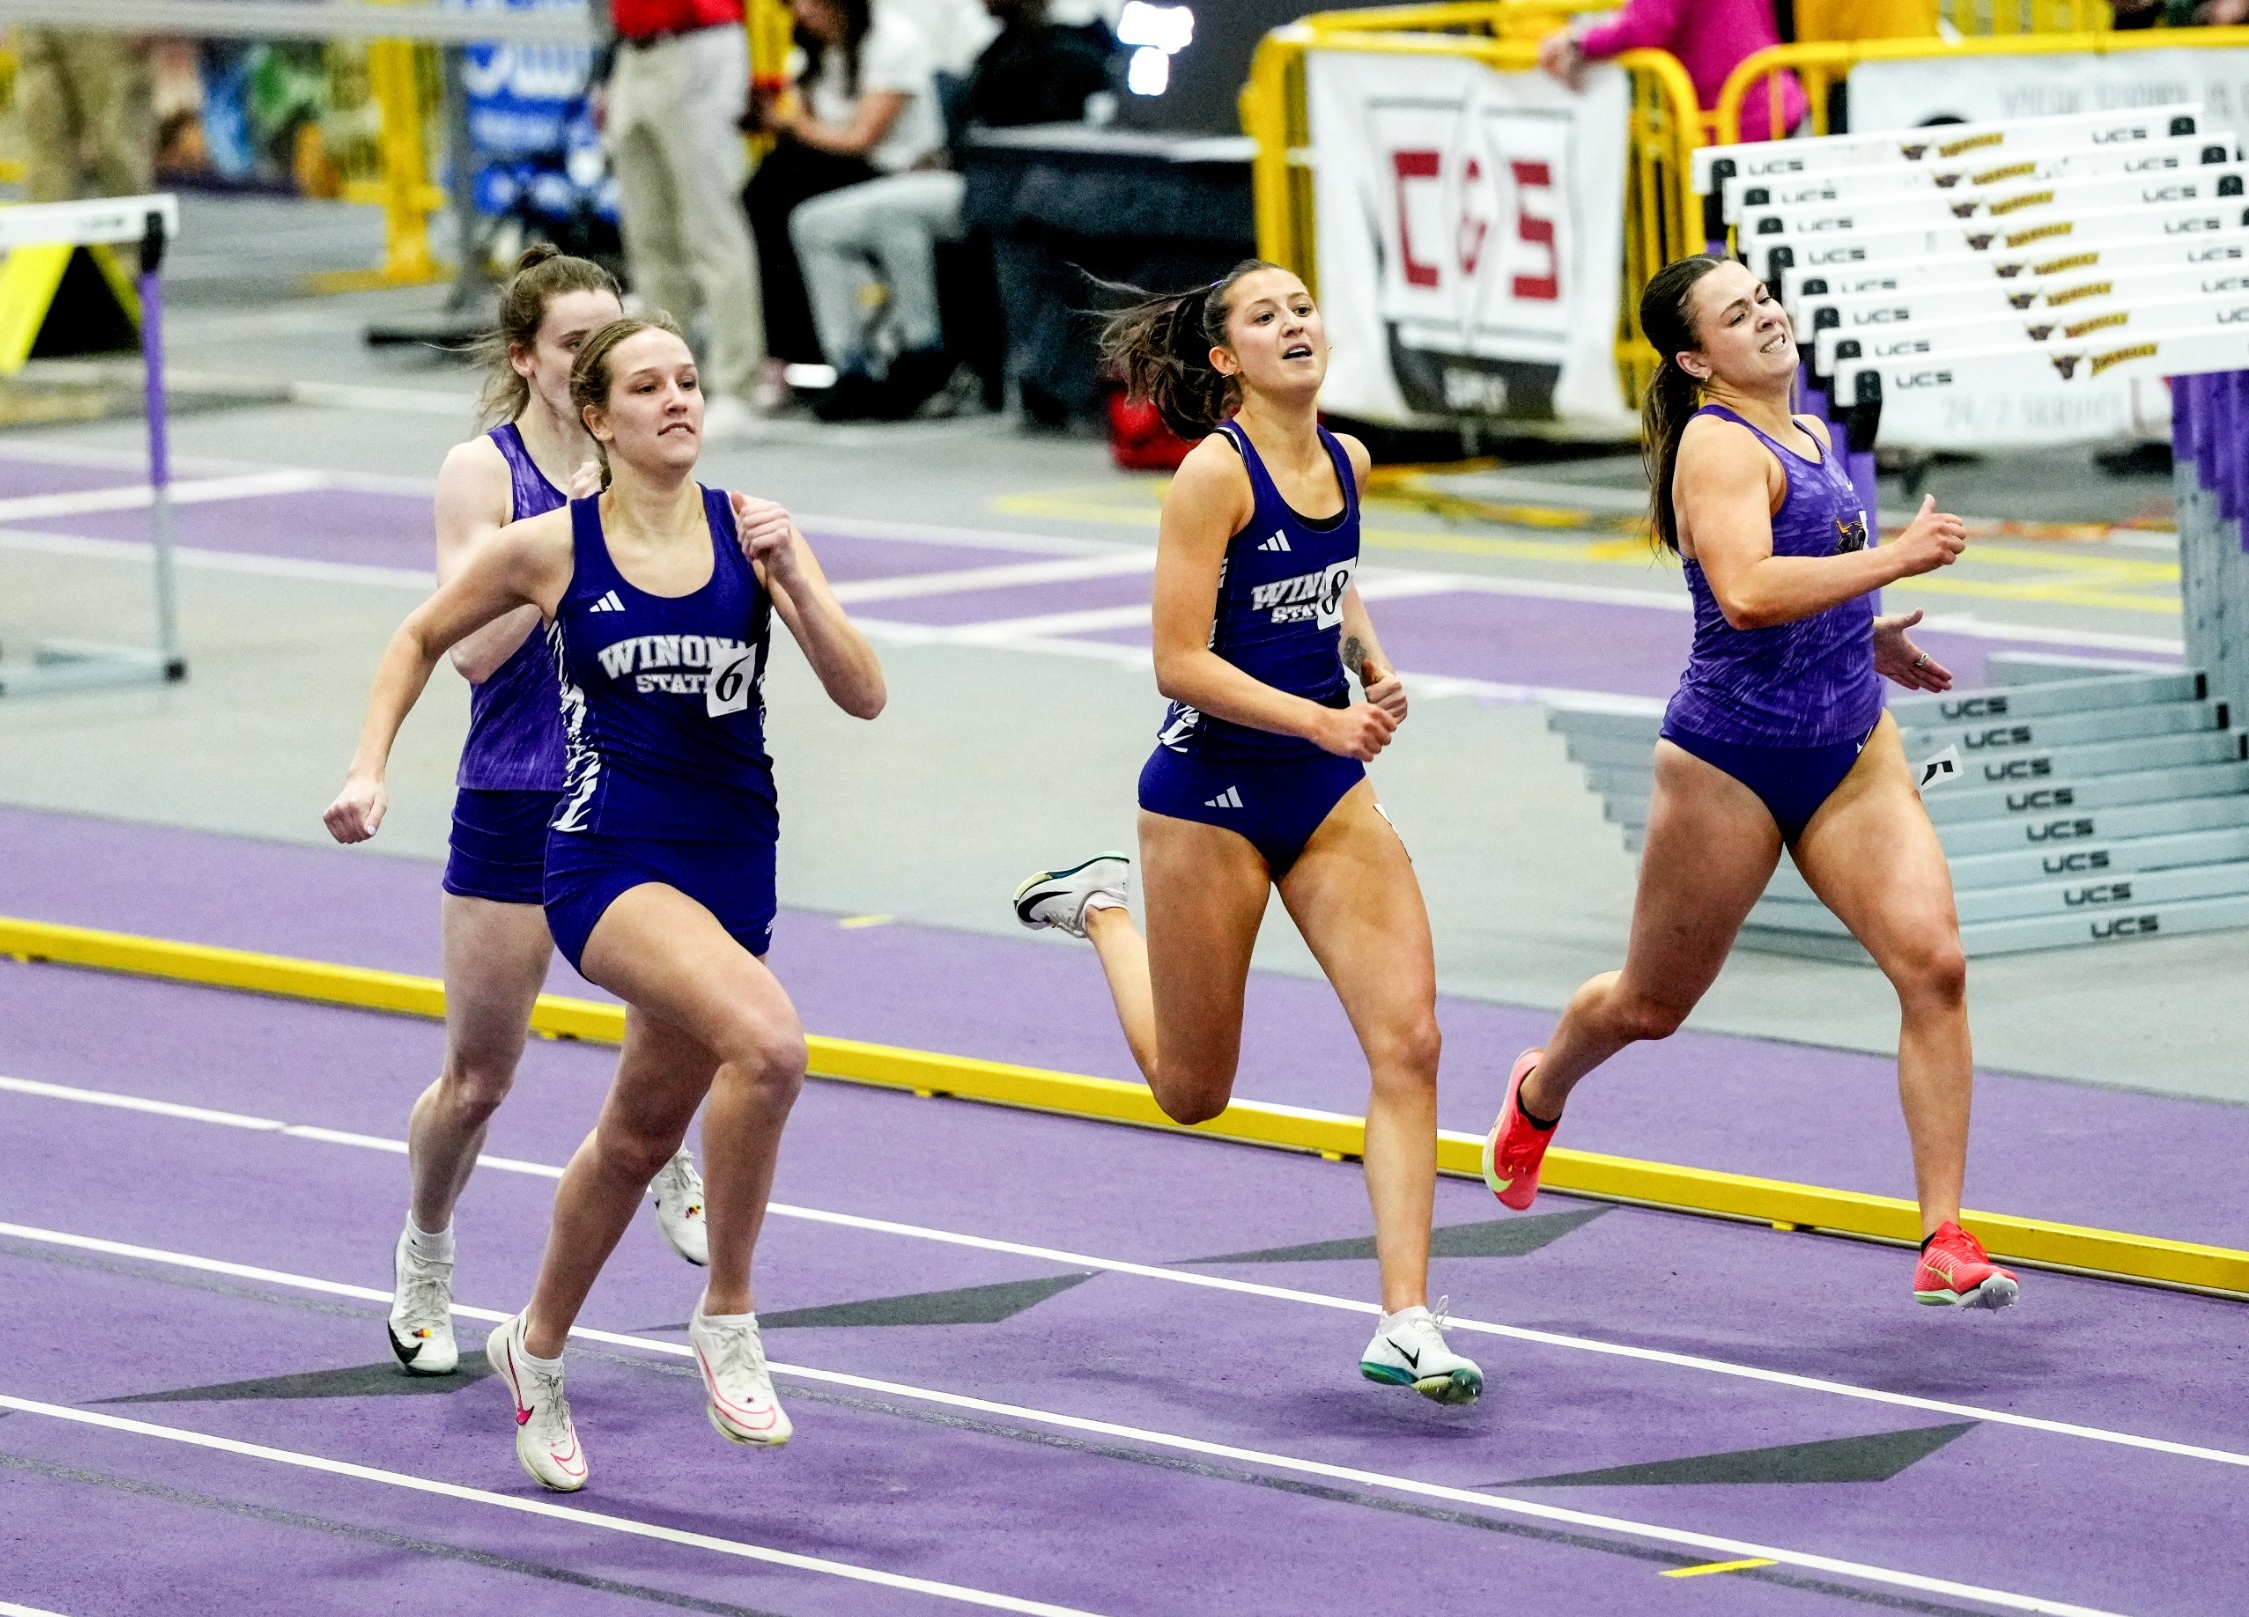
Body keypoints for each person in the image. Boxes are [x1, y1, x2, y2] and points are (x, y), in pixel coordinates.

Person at [326, 316, 886, 1491]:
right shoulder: (552, 546)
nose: (678, 399)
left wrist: (794, 582)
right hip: (604, 858)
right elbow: (420, 635)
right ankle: (726, 1314)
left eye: (688, 379)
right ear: (599, 418)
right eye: (647, 386)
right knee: (770, 1046)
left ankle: (531, 1347)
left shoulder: (752, 529)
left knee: (635, 1138)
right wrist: (367, 766)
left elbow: (862, 694)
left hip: (733, 862)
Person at [1481, 255, 2017, 1313]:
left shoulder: (1808, 432)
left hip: (1849, 748)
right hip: (1727, 761)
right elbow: (1742, 592)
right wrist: (1896, 558)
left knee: (1935, 967)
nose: (1764, 317)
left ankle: (1943, 1236)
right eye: (1736, 314)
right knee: (1648, 1005)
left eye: (1763, 298)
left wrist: (1866, 642)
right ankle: (1537, 1090)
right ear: (1695, 359)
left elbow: (1806, 583)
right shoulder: (1713, 446)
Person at [1010, 261, 1483, 1406]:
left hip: (1322, 794)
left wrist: (1364, 653)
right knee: (1191, 1090)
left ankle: (1406, 1318)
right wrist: (1322, 713)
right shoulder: (1207, 480)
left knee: (1409, 1041)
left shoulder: (1347, 460)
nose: (1294, 324)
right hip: (1206, 796)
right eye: (1264, 316)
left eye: (1302, 307)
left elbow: (1327, 577)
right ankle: (1103, 906)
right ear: (1226, 358)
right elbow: (1179, 660)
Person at [378, 247, 711, 1380]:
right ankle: (426, 1248)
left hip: (635, 788)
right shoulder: (486, 473)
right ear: (525, 358)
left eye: (610, 339)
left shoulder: (649, 456)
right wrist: (563, 538)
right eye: (574, 344)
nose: (599, 362)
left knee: (693, 1005)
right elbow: (467, 647)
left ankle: (668, 1152)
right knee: (479, 1079)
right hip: (517, 786)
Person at [788, 0, 1110, 417]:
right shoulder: (990, 53)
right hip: (964, 179)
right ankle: (853, 364)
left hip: (992, 186)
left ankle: (925, 355)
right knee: (811, 223)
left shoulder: (1071, 51)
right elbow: (967, 126)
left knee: (896, 213)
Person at [740, 0, 941, 404]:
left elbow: (861, 138)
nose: (801, 11)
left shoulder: (892, 40)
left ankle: (829, 352)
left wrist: (794, 124)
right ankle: (800, 350)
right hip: (839, 167)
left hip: (895, 168)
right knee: (764, 190)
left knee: (778, 190)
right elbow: (809, 125)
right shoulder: (815, 53)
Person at [593, 0, 767, 411]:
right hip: (633, 50)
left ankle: (736, 383)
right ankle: (661, 377)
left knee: (711, 228)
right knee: (649, 236)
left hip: (698, 45)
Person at [1538, 0, 1807, 141]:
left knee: (1725, 238)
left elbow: (1646, 27)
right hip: (1775, 103)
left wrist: (1579, 43)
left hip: (1737, 119)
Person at [17, 28, 159, 202]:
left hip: (107, 20)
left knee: (119, 151)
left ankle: (134, 227)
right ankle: (50, 227)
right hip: (37, 18)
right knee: (47, 152)